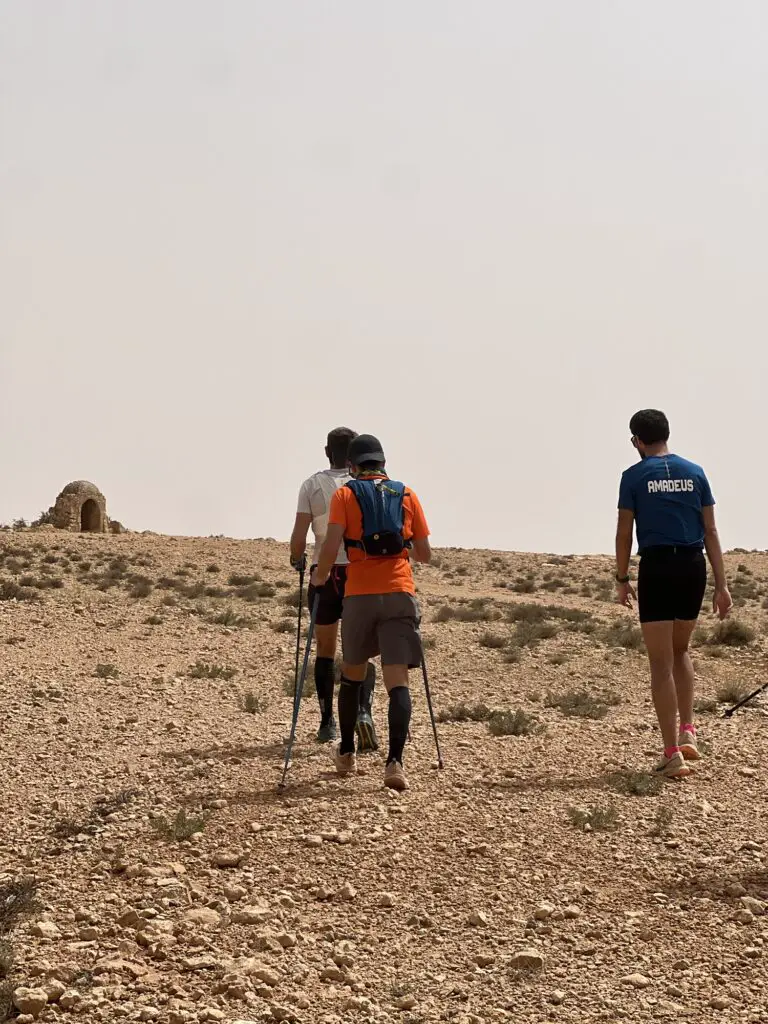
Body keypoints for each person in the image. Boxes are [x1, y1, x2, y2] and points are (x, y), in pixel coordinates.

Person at [615, 409, 732, 778]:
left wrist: (621, 577)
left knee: (660, 660)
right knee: (682, 650)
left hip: (658, 566)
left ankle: (671, 753)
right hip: (693, 566)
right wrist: (722, 584)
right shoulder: (695, 472)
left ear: (638, 440)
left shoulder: (633, 476)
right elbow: (711, 531)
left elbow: (624, 531)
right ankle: (688, 732)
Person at [311, 433, 431, 791]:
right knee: (398, 681)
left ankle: (347, 752)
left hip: (359, 594)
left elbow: (331, 546)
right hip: (399, 592)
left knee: (352, 674)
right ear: (382, 462)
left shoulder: (344, 495)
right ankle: (395, 763)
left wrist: (319, 580)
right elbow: (424, 553)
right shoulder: (406, 493)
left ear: (352, 466)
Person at [289, 427, 378, 750]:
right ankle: (364, 713)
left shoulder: (312, 485)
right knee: (361, 649)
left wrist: (296, 558)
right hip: (360, 573)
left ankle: (327, 722)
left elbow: (299, 537)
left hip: (323, 575)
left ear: (327, 452)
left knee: (325, 649)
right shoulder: (365, 484)